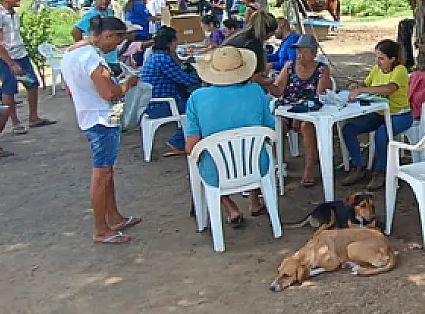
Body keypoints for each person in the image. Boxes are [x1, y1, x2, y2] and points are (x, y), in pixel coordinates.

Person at [60, 16, 143, 245]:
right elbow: (108, 93)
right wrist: (128, 84)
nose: (116, 46)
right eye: (116, 40)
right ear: (107, 35)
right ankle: (101, 229)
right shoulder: (91, 59)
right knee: (102, 174)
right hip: (101, 119)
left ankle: (113, 216)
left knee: (108, 171)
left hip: (91, 115)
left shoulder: (73, 52)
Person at [185, 46, 275, 225]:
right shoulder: (256, 91)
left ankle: (230, 207)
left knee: (202, 157)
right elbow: (269, 131)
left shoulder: (196, 98)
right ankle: (254, 201)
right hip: (257, 165)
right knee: (257, 146)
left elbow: (191, 146)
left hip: (217, 171)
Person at [339, 40, 414, 191]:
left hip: (400, 115)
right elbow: (366, 84)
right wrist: (357, 86)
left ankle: (381, 171)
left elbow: (389, 89)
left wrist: (362, 91)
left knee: (381, 134)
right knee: (348, 128)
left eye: (381, 58)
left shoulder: (400, 70)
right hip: (379, 113)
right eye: (376, 57)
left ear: (392, 59)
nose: (377, 62)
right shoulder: (376, 69)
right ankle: (358, 166)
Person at [0, 0, 54, 134]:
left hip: (19, 53)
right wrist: (11, 63)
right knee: (9, 89)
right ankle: (15, 122)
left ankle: (33, 117)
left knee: (32, 84)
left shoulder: (12, 13)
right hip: (3, 57)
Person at [273, 34, 332, 187]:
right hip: (288, 110)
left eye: (304, 51)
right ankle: (279, 167)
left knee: (307, 126)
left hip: (310, 112)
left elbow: (320, 96)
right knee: (276, 129)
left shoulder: (322, 69)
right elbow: (278, 90)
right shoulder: (289, 67)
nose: (299, 55)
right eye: (298, 51)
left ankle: (308, 169)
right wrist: (267, 84)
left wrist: (300, 112)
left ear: (313, 53)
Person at [140, 26, 201, 156]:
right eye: (175, 42)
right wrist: (202, 78)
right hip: (161, 105)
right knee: (198, 109)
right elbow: (184, 79)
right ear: (170, 42)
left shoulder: (157, 56)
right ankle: (178, 142)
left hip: (153, 102)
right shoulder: (164, 59)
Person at [224, 11, 278, 92]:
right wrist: (270, 81)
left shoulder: (238, 37)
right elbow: (255, 79)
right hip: (233, 86)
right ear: (268, 33)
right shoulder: (254, 46)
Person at [72, 0, 121, 72]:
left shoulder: (109, 11)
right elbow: (76, 30)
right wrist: (83, 48)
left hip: (113, 56)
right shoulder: (92, 15)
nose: (104, 0)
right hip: (102, 58)